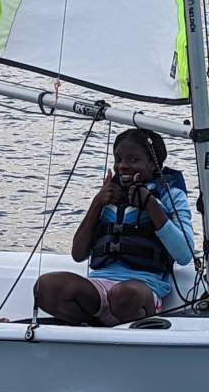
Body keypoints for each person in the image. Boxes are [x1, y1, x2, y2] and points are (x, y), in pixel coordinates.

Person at [34, 129, 195, 326]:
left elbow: (185, 254)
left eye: (133, 160)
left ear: (153, 165)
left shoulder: (170, 195)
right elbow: (78, 254)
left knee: (123, 294)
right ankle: (93, 327)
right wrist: (97, 203)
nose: (123, 166)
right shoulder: (110, 194)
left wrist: (151, 206)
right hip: (100, 286)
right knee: (45, 287)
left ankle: (132, 330)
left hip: (142, 289)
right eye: (118, 159)